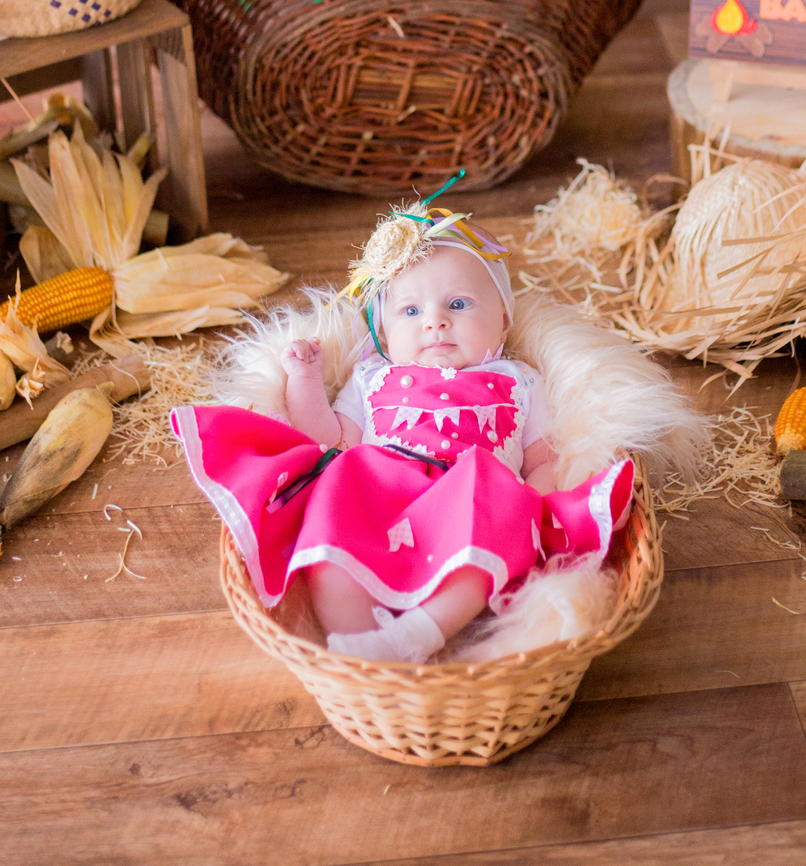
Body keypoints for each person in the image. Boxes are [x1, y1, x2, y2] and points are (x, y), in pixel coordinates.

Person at [174, 196, 650, 664]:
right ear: (383, 329)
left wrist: (527, 501)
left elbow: (544, 459)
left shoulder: (519, 380)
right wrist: (304, 379)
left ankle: (421, 634)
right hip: (381, 486)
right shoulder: (372, 375)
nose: (436, 323)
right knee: (333, 495)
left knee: (501, 518)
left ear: (503, 321)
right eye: (410, 312)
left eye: (458, 304)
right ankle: (353, 637)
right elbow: (334, 437)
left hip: (471, 496)